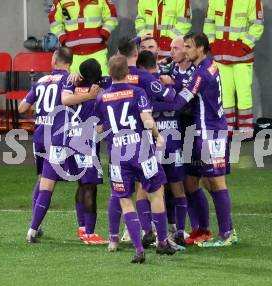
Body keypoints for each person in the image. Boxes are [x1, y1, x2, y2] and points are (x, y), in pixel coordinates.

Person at [154, 33, 238, 247]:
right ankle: (202, 229)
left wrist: (152, 104)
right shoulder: (211, 65)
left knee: (217, 183)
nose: (186, 50)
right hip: (203, 132)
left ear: (200, 49)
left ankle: (228, 233)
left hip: (210, 132)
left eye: (189, 47)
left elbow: (178, 103)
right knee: (191, 181)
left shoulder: (200, 74)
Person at [95, 55, 176, 263]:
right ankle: (162, 242)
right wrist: (158, 136)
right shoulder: (137, 92)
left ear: (110, 72)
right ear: (127, 72)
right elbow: (147, 120)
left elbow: (98, 129)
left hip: (117, 156)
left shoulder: (102, 98)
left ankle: (139, 250)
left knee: (125, 201)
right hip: (142, 151)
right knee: (156, 193)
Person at [18, 47, 99, 243]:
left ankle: (34, 225)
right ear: (70, 61)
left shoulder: (41, 81)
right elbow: (69, 99)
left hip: (39, 135)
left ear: (54, 59)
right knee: (83, 182)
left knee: (43, 181)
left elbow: (22, 108)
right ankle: (84, 230)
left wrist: (40, 113)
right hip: (59, 136)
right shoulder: (70, 80)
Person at [115, 37, 176, 248]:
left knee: (128, 193)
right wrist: (167, 82)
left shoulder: (110, 80)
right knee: (155, 190)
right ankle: (160, 238)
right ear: (136, 54)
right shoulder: (144, 78)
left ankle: (133, 233)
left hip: (118, 146)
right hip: (144, 141)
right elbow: (169, 96)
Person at [137, 49, 188, 248]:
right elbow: (177, 101)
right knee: (177, 187)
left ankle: (148, 230)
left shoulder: (144, 84)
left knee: (144, 189)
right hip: (174, 139)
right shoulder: (169, 80)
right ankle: (179, 230)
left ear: (141, 67)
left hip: (153, 143)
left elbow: (145, 110)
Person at [63, 58, 111, 244]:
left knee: (82, 184)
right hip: (87, 143)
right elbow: (99, 128)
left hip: (71, 140)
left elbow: (65, 99)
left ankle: (83, 229)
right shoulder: (97, 92)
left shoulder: (74, 86)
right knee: (90, 186)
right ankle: (90, 234)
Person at [203, 0, 264, 135]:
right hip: (221, 56)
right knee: (225, 94)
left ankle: (245, 130)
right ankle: (227, 128)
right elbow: (208, 24)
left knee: (244, 94)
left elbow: (257, 26)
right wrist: (212, 44)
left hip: (242, 57)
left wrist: (244, 46)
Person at [48, 0, 118, 75]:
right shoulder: (61, 1)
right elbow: (54, 20)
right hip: (73, 56)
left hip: (97, 52)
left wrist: (104, 34)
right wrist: (62, 38)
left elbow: (111, 16)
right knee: (73, 85)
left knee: (102, 83)